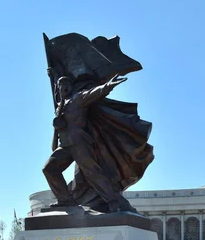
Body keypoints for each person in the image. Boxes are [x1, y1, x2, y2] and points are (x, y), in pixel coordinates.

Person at [43, 74, 137, 213]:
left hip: (80, 143)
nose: (65, 87)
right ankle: (65, 200)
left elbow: (93, 93)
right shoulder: (59, 108)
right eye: (62, 85)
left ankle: (113, 202)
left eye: (68, 85)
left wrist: (108, 85)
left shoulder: (78, 99)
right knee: (49, 169)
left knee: (92, 173)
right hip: (65, 145)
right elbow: (58, 134)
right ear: (58, 88)